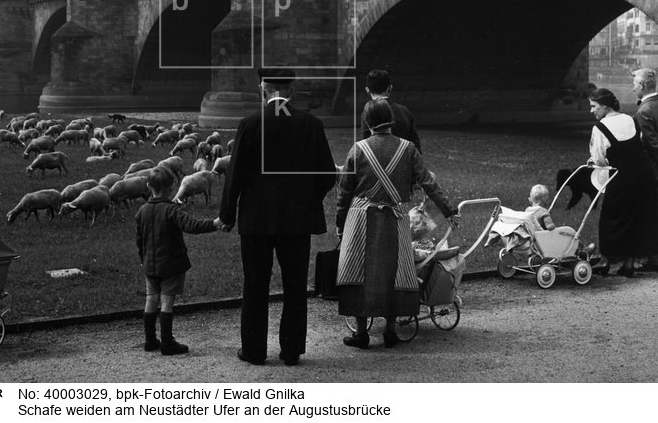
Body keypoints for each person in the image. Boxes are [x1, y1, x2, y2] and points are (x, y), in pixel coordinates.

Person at [219, 67, 336, 366]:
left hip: (256, 219)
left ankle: (254, 351)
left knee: (255, 284)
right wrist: (308, 201)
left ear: (263, 90)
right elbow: (328, 175)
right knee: (295, 286)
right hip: (297, 220)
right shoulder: (311, 125)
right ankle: (291, 350)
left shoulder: (250, 124)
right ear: (291, 90)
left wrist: (227, 214)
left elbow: (235, 176)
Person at [335, 99, 459, 349]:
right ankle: (390, 330)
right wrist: (449, 211)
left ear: (368, 122)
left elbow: (345, 191)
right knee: (396, 271)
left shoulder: (358, 150)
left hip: (361, 218)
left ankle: (361, 332)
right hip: (396, 217)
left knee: (358, 271)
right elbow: (428, 182)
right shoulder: (408, 149)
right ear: (391, 120)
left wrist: (340, 222)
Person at [135, 165, 223, 355]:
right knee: (167, 301)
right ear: (171, 187)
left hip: (150, 265)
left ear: (148, 186)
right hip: (171, 265)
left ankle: (150, 340)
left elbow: (139, 241)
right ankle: (167, 342)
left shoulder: (141, 211)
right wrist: (215, 223)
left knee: (151, 299)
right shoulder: (171, 210)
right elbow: (192, 225)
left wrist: (144, 260)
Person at [587, 88, 658, 277]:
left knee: (611, 217)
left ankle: (605, 260)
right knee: (636, 216)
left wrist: (595, 162)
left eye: (594, 106)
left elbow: (599, 158)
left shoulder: (600, 128)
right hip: (643, 174)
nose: (592, 111)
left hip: (621, 176)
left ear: (605, 106)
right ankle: (629, 262)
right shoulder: (629, 119)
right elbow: (639, 142)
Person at [631, 68, 658, 270]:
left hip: (652, 170)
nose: (633, 89)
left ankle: (651, 258)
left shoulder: (644, 111)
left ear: (641, 86)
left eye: (634, 85)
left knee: (650, 213)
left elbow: (651, 144)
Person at [360, 69, 421, 151]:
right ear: (390, 88)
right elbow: (416, 147)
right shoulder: (405, 111)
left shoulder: (367, 112)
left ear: (367, 90)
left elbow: (365, 147)